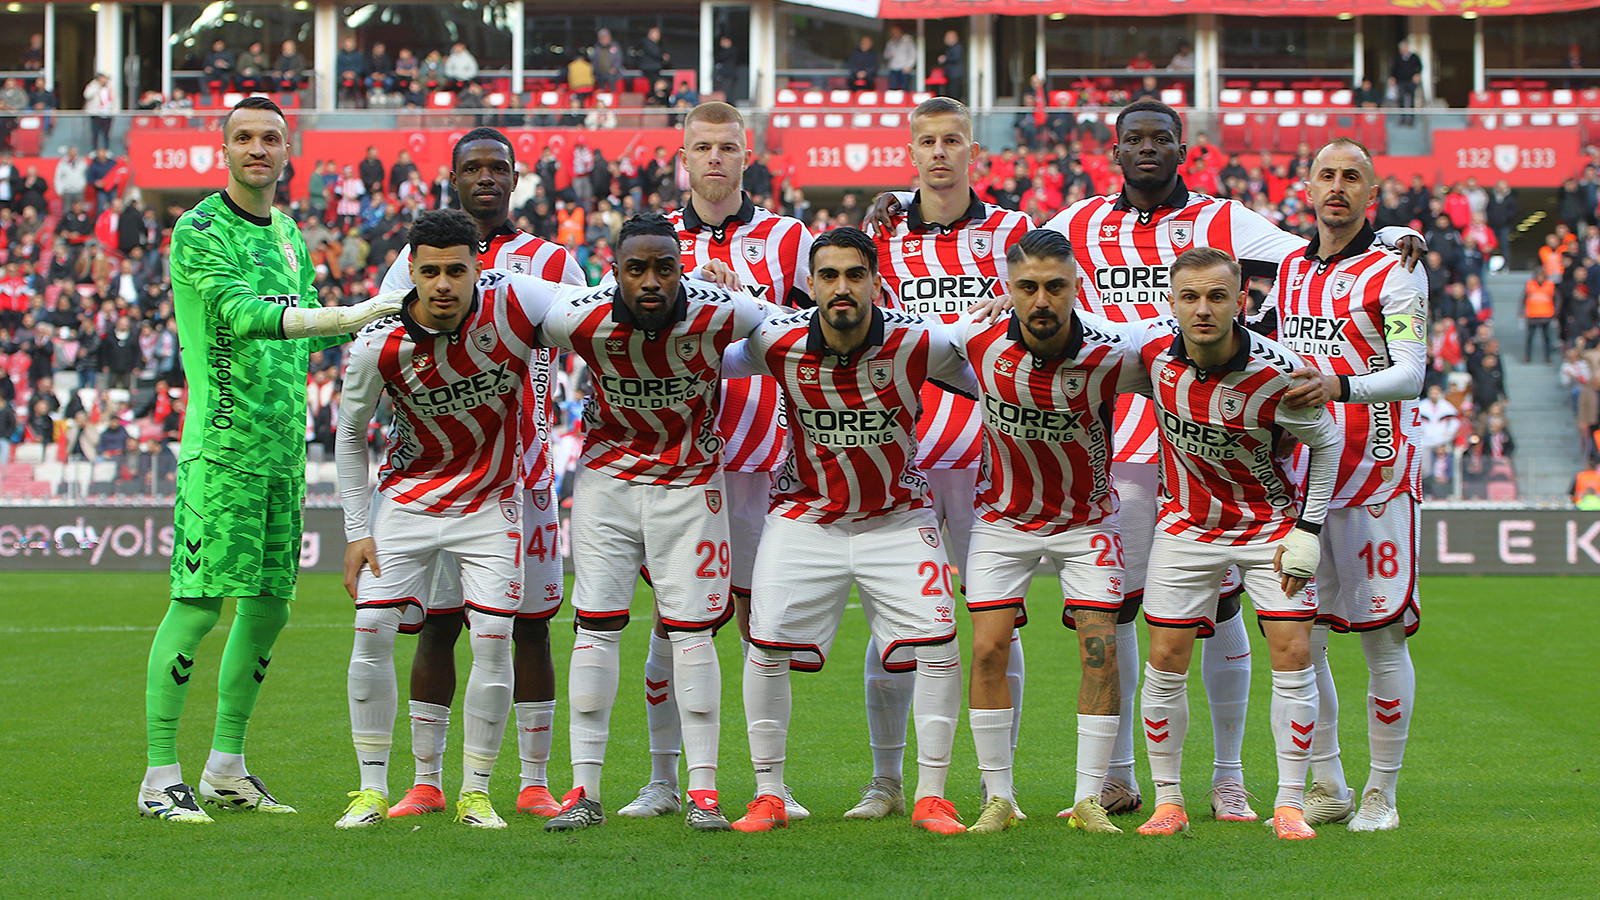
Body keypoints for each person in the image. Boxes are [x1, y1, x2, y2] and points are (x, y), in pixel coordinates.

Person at [1033, 99, 1422, 822]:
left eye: (1161, 139)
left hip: (1233, 451)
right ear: (1112, 150)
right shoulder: (1081, 221)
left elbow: (1317, 242)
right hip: (1120, 443)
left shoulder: (1224, 219)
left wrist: (1395, 230)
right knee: (1122, 612)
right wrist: (902, 204)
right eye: (1133, 140)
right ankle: (1121, 776)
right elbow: (1017, 258)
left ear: (1184, 148)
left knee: (1234, 607)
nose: (1147, 149)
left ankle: (1232, 779)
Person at [137, 96, 403, 823]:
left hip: (283, 453)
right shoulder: (198, 229)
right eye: (245, 137)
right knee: (196, 607)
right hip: (221, 451)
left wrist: (385, 317)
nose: (258, 148)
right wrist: (349, 315)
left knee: (269, 609)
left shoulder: (288, 232)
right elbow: (241, 314)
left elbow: (303, 332)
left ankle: (226, 766)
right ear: (223, 149)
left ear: (291, 152)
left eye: (272, 138)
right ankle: (160, 775)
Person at [721, 227, 973, 836]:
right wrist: (715, 297)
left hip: (898, 517)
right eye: (829, 276)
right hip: (804, 516)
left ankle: (931, 795)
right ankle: (768, 793)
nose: (841, 288)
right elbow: (707, 351)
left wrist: (995, 316)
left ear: (876, 284)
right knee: (766, 646)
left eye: (854, 276)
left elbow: (985, 356)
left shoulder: (919, 342)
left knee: (938, 648)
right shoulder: (776, 340)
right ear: (810, 284)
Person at [538, 213, 775, 833]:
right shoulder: (578, 317)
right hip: (606, 487)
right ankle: (583, 789)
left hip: (692, 486)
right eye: (636, 268)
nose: (650, 281)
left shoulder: (722, 309)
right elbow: (510, 325)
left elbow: (776, 334)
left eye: (663, 268)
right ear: (613, 271)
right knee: (595, 629)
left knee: (693, 635)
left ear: (682, 271)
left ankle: (702, 792)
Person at [378, 127, 587, 822]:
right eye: (473, 167)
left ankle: (532, 781)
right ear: (454, 177)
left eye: (498, 167)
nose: (487, 178)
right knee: (439, 625)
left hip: (522, 477)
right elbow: (380, 349)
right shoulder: (411, 262)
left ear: (517, 178)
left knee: (530, 625)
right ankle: (427, 780)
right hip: (438, 476)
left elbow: (585, 344)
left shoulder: (554, 261)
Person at [335, 210, 563, 830]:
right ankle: (371, 790)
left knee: (494, 643)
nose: (442, 284)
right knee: (372, 635)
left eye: (455, 270)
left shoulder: (514, 308)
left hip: (492, 506)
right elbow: (349, 432)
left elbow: (593, 310)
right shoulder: (378, 340)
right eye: (429, 270)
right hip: (405, 504)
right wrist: (358, 530)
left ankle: (476, 792)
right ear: (410, 271)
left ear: (477, 270)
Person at [620, 102, 814, 822]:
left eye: (726, 147)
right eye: (702, 147)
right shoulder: (655, 240)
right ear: (683, 154)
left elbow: (803, 334)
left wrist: (747, 305)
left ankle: (771, 783)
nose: (714, 160)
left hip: (763, 456)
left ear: (746, 153)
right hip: (678, 456)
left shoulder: (788, 236)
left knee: (765, 621)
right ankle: (663, 781)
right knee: (675, 622)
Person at [940, 229, 1149, 834]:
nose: (1041, 301)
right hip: (1002, 523)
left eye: (1055, 287)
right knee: (985, 649)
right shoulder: (973, 339)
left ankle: (1089, 798)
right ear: (1007, 289)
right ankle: (998, 797)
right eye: (1027, 287)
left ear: (1077, 287)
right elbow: (895, 336)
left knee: (1100, 650)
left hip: (1088, 524)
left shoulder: (1112, 356)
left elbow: (1186, 361)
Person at [860, 97, 1031, 821]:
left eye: (952, 140)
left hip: (993, 451)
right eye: (926, 141)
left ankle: (1000, 786)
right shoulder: (884, 236)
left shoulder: (1013, 232)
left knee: (996, 621)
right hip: (907, 451)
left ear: (973, 151)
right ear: (911, 150)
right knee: (894, 625)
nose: (939, 153)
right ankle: (888, 782)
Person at [1133, 247, 1341, 841]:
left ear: (1240, 302)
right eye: (1191, 297)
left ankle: (1290, 804)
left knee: (1294, 655)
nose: (1204, 309)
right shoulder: (1151, 355)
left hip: (1268, 525)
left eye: (1217, 296)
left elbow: (1324, 443)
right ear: (1171, 302)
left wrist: (1308, 527)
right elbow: (1081, 341)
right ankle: (1168, 801)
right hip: (1185, 525)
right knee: (1166, 659)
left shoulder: (1278, 373)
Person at [1266, 138, 1429, 834]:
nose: (1337, 187)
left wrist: (1340, 384)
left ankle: (1382, 795)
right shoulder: (1290, 269)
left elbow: (1412, 371)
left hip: (1376, 480)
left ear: (1371, 192)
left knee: (1382, 638)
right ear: (1308, 187)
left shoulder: (1397, 269)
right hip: (1305, 481)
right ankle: (1327, 782)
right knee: (1308, 638)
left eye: (1351, 177)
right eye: (1327, 175)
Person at [1522, 269, 1557, 364]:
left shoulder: (1550, 285)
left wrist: (1555, 312)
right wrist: (1521, 312)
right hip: (1532, 314)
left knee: (1547, 337)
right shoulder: (1530, 284)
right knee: (1530, 337)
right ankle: (1527, 357)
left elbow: (1557, 298)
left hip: (1546, 314)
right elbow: (1523, 298)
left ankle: (1548, 357)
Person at [1390, 41, 1423, 124]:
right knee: (1401, 99)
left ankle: (1411, 118)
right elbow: (1394, 69)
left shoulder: (1414, 57)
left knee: (1411, 99)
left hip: (1411, 81)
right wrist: (1393, 78)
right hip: (1401, 82)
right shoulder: (1398, 58)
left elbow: (1419, 67)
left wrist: (1417, 75)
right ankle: (1402, 117)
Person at [83, 73, 115, 152]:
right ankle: (94, 150)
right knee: (95, 133)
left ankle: (106, 149)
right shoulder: (92, 86)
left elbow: (114, 99)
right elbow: (87, 95)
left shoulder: (109, 87)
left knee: (106, 133)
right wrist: (97, 87)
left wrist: (114, 111)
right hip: (96, 114)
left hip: (107, 114)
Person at [884, 24, 916, 92]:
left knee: (904, 89)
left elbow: (912, 54)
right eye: (892, 33)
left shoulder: (907, 41)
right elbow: (885, 55)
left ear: (900, 32)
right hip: (893, 68)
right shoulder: (890, 42)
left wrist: (909, 66)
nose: (894, 34)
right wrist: (888, 55)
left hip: (904, 68)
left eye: (896, 32)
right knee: (892, 88)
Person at [937, 31, 965, 102]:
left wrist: (945, 58)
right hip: (951, 75)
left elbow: (955, 58)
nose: (945, 40)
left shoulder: (957, 47)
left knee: (954, 95)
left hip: (955, 75)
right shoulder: (951, 48)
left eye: (947, 38)